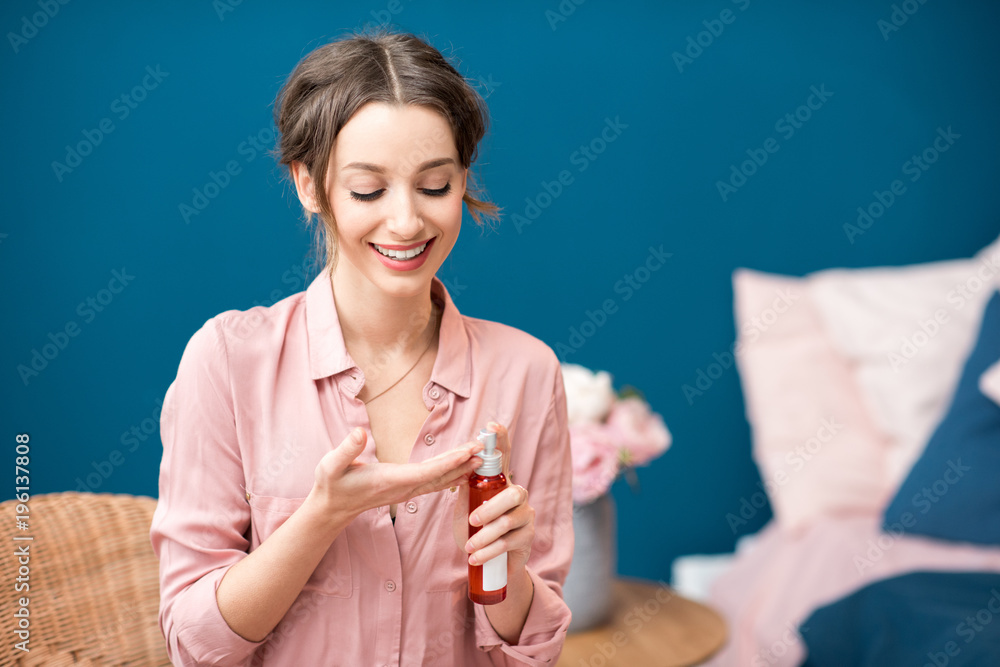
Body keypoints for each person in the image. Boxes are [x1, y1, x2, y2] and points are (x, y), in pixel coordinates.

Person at [149, 27, 574, 666]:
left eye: (434, 186)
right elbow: (194, 644)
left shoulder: (525, 372)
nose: (405, 222)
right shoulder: (228, 361)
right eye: (368, 190)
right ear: (309, 185)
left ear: (464, 180)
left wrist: (507, 571)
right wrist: (321, 517)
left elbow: (532, 655)